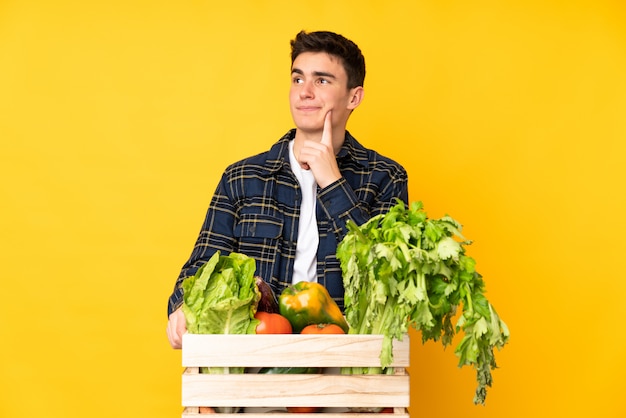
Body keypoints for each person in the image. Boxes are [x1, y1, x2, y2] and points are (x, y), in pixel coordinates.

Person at [166, 30, 409, 349]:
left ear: (353, 97)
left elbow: (390, 281)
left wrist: (333, 184)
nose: (304, 92)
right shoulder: (243, 177)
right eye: (298, 79)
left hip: (346, 362)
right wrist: (182, 306)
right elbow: (202, 266)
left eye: (321, 81)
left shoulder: (385, 177)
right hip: (254, 359)